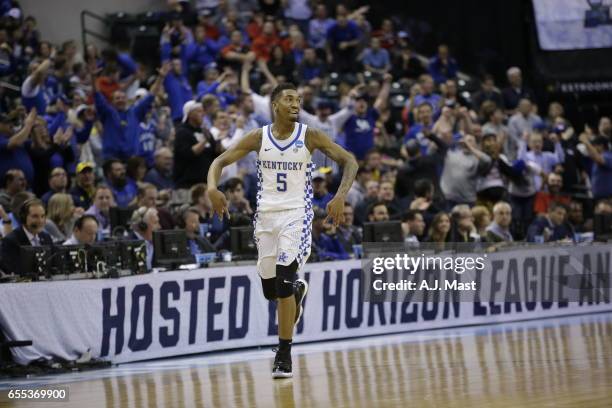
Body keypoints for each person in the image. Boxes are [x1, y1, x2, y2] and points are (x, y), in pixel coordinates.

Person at [206, 82, 358, 378]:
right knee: (270, 290)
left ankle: (284, 354)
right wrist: (212, 187)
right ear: (274, 105)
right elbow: (220, 160)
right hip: (265, 218)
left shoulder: (310, 135)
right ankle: (297, 293)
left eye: (298, 100)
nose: (295, 104)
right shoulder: (258, 137)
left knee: (284, 280)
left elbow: (349, 160)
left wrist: (339, 195)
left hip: (297, 215)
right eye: (289, 99)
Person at [174, 101, 221, 189]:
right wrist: (205, 141)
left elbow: (216, 153)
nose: (203, 114)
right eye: (199, 111)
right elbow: (189, 153)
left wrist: (218, 140)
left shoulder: (204, 131)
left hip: (207, 182)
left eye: (203, 111)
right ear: (190, 114)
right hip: (188, 184)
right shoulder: (182, 132)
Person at [0, 198, 53, 275]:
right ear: (23, 217)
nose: (40, 221)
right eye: (35, 216)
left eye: (42, 216)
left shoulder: (46, 237)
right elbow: (13, 271)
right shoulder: (10, 241)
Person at [579, 133, 612, 200]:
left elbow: (599, 159)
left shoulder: (608, 156)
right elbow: (593, 155)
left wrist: (586, 142)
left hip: (607, 198)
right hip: (598, 197)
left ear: (601, 146)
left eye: (594, 145)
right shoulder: (598, 157)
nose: (592, 148)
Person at [129, 206, 161, 270]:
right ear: (143, 226)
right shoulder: (128, 244)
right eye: (155, 223)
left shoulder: (157, 243)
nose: (159, 226)